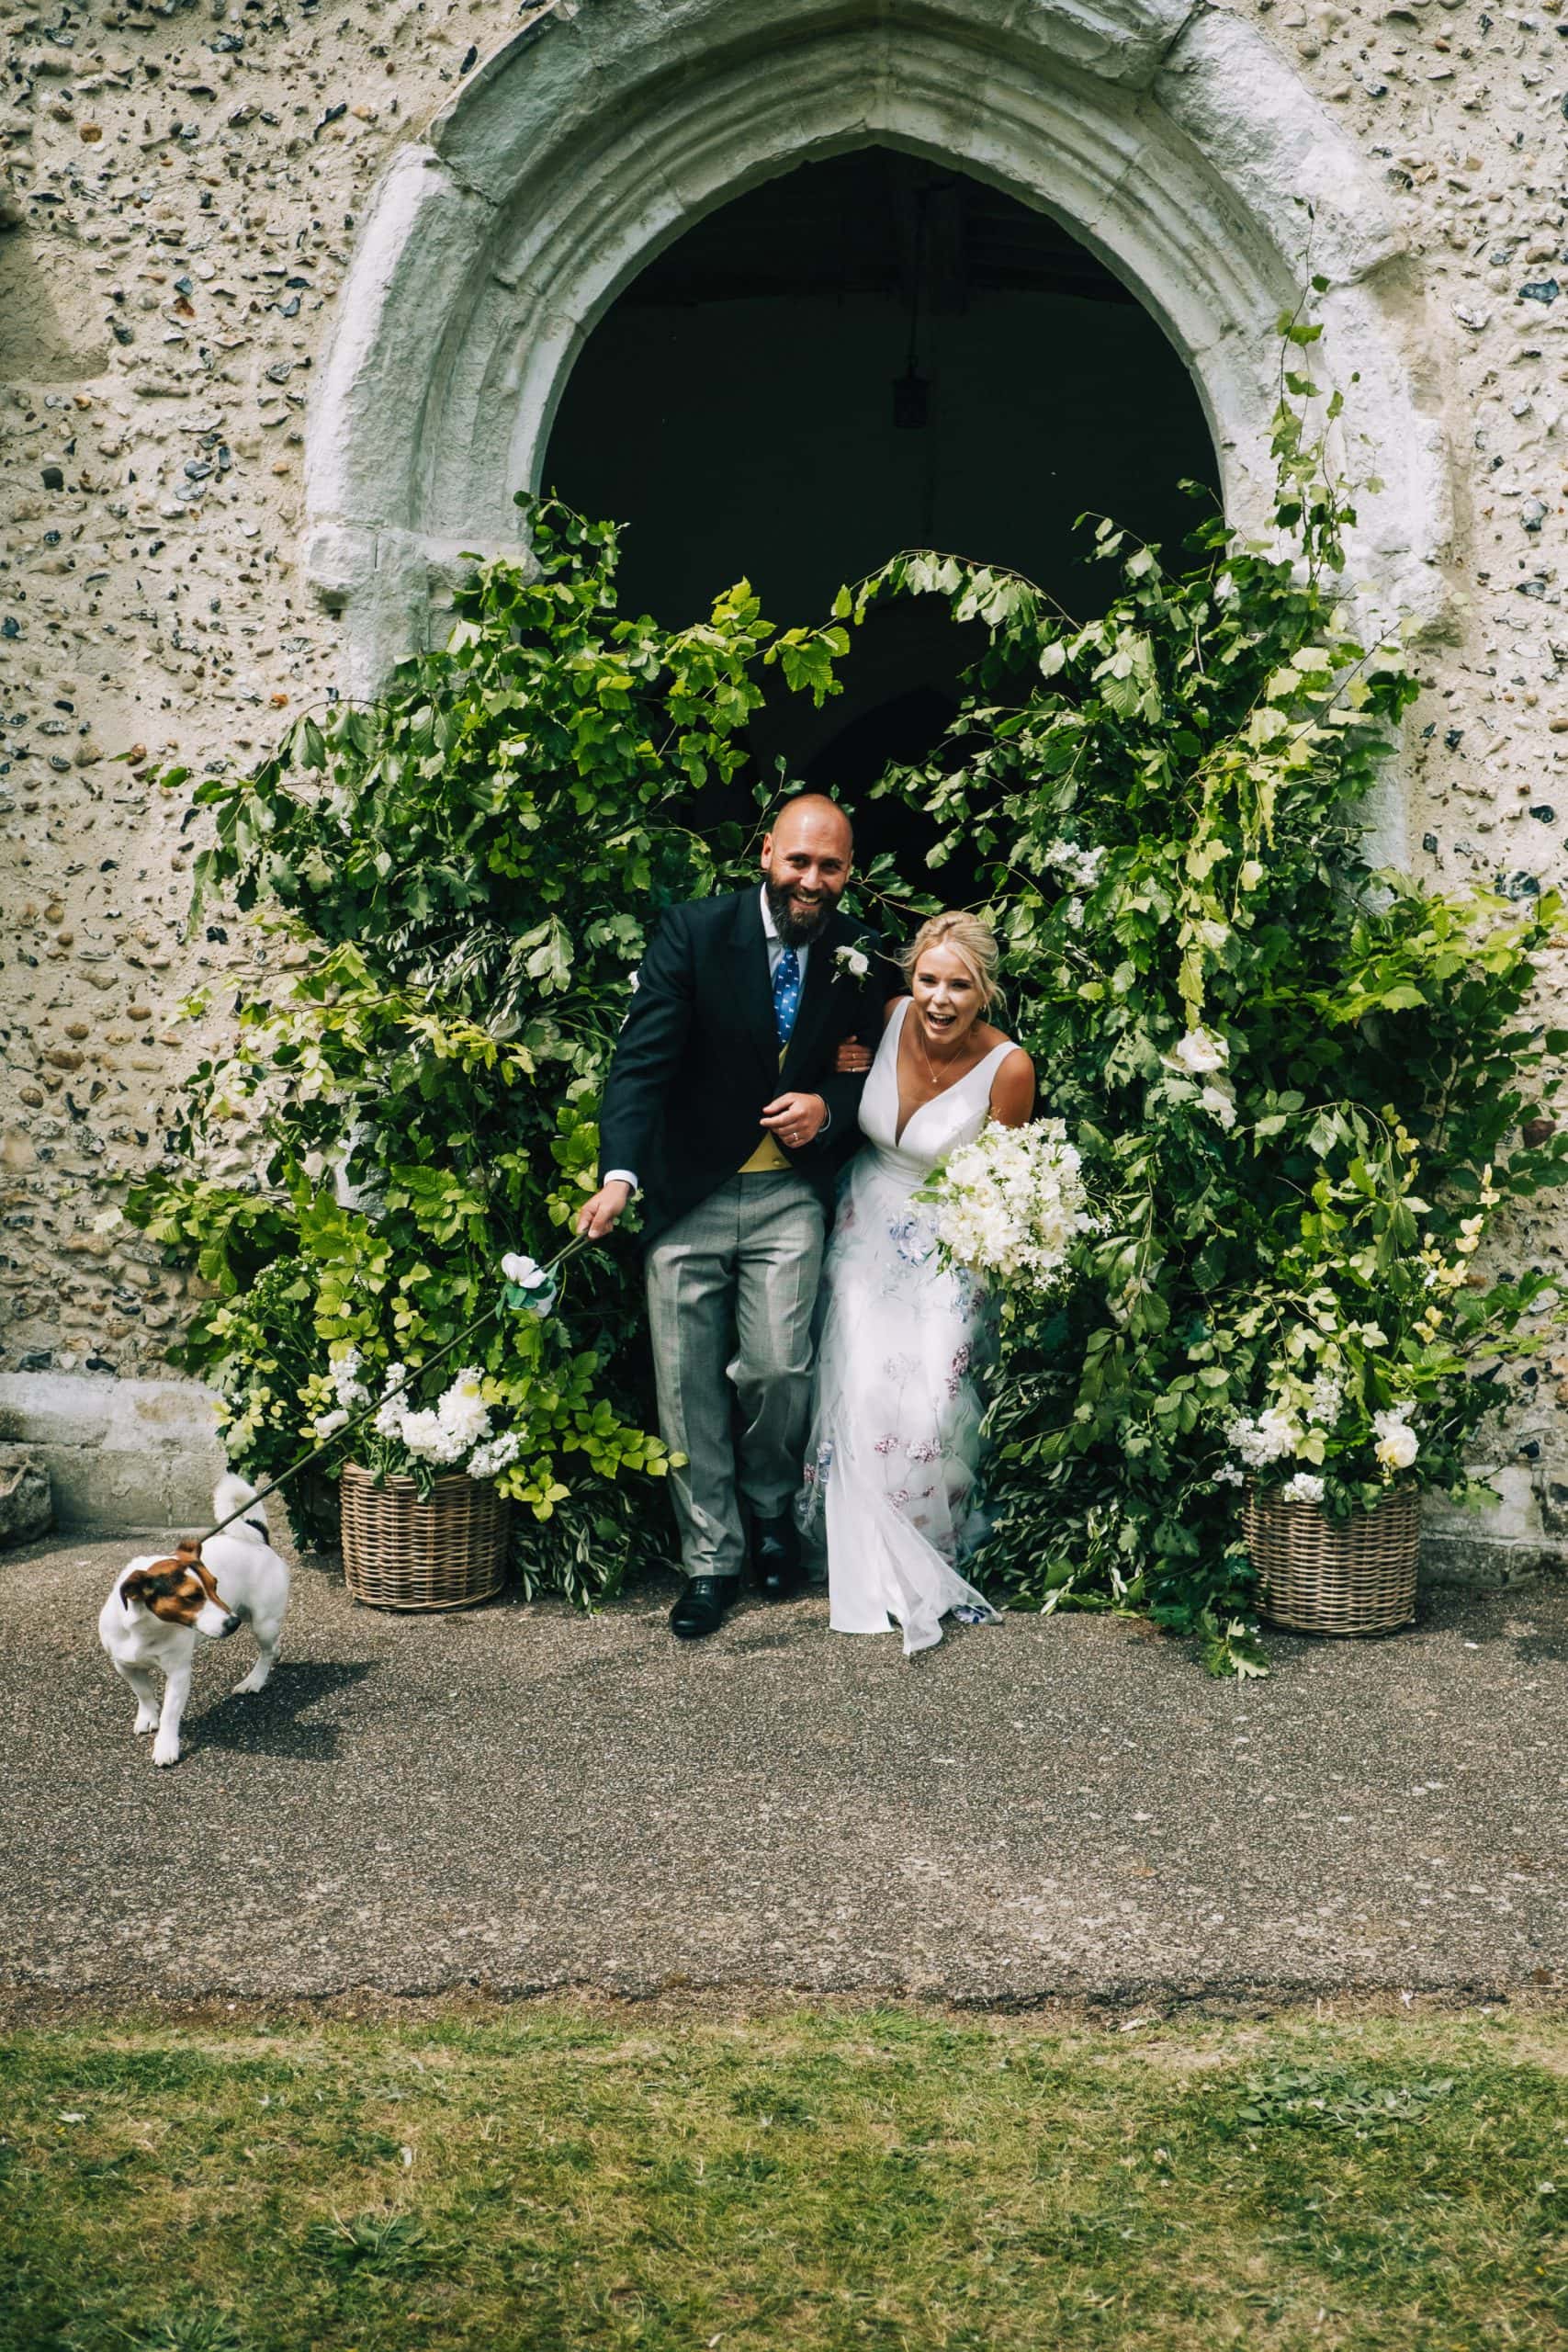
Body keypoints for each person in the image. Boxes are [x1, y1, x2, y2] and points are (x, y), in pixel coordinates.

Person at [577, 796, 886, 1640]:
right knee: (685, 1390)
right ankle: (711, 1560)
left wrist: (828, 1102)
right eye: (798, 862)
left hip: (790, 1195)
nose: (811, 880)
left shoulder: (859, 951)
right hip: (688, 1195)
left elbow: (874, 1071)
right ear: (765, 855)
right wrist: (619, 1177)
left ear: (847, 872)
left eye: (829, 867)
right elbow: (640, 1064)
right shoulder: (693, 932)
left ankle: (771, 1513)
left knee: (780, 1368)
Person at [800, 910, 1036, 1656]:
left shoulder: (1010, 1068)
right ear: (910, 982)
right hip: (865, 1222)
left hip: (950, 1240)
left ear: (984, 992)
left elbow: (1007, 1182)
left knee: (933, 1398)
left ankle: (926, 1548)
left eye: (958, 985)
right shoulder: (888, 1017)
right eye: (928, 979)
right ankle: (862, 1563)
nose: (939, 998)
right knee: (863, 1387)